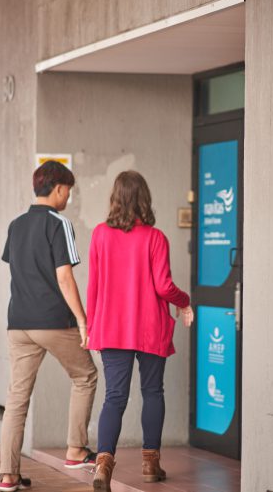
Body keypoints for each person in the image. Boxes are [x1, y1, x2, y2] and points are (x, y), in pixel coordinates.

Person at [86, 170, 194, 490]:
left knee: (114, 397)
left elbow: (93, 286)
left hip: (112, 327)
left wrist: (92, 327)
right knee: (152, 392)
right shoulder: (156, 237)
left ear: (115, 198)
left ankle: (103, 465)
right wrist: (184, 301)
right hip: (149, 327)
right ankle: (150, 464)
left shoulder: (100, 235)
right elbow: (163, 286)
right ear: (144, 198)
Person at [0, 161, 99, 492]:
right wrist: (83, 321)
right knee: (85, 376)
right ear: (58, 188)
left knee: (16, 398)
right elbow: (64, 276)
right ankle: (75, 449)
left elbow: (18, 270)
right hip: (53, 320)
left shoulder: (15, 225)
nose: (69, 196)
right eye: (68, 189)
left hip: (18, 323)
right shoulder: (60, 224)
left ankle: (8, 476)